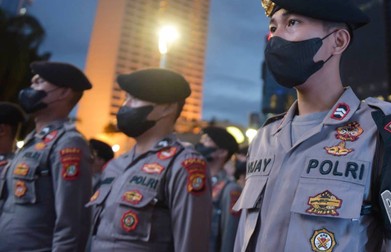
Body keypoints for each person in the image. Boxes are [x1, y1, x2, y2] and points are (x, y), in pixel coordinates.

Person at [233, 0, 391, 252]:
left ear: (338, 41)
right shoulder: (265, 137)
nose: (276, 38)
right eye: (273, 28)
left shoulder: (384, 132)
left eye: (293, 23)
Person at [88, 67, 211, 251]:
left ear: (167, 108)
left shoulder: (183, 166)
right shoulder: (116, 165)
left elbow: (191, 245)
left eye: (134, 99)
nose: (125, 106)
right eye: (126, 98)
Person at [0, 61, 94, 251]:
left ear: (63, 92)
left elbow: (72, 222)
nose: (31, 87)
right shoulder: (32, 141)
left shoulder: (68, 143)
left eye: (39, 82)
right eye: (32, 82)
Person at [196, 126, 242, 252]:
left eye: (207, 140)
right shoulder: (194, 182)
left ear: (222, 152)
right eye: (202, 139)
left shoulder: (230, 189)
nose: (201, 144)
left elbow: (229, 236)